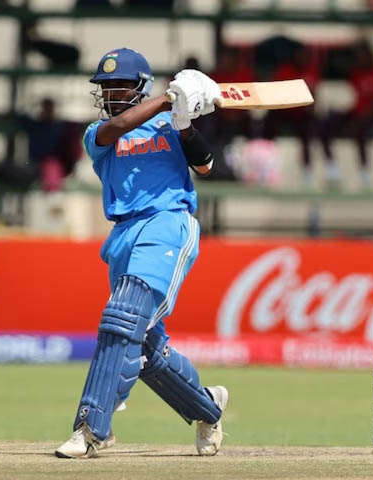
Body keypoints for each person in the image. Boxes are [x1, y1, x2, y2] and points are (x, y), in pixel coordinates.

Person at [55, 48, 228, 459]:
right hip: (124, 234)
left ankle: (91, 427)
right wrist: (170, 98)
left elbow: (205, 166)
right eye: (106, 87)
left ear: (139, 87)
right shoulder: (97, 133)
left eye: (121, 86)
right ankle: (208, 407)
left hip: (167, 223)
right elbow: (118, 126)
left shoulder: (169, 123)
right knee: (146, 347)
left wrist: (184, 123)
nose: (112, 93)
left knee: (123, 319)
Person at [320, 39, 373, 188]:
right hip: (356, 113)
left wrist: (359, 120)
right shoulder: (356, 73)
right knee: (325, 125)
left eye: (361, 54)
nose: (359, 58)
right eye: (357, 55)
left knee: (360, 132)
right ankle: (332, 169)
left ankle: (366, 173)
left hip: (372, 117)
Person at [262, 44, 321, 187]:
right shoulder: (285, 69)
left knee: (309, 129)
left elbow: (312, 96)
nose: (303, 58)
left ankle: (307, 170)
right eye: (301, 54)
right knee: (268, 122)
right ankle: (267, 163)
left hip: (301, 112)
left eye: (306, 55)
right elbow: (279, 92)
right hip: (285, 110)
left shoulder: (312, 71)